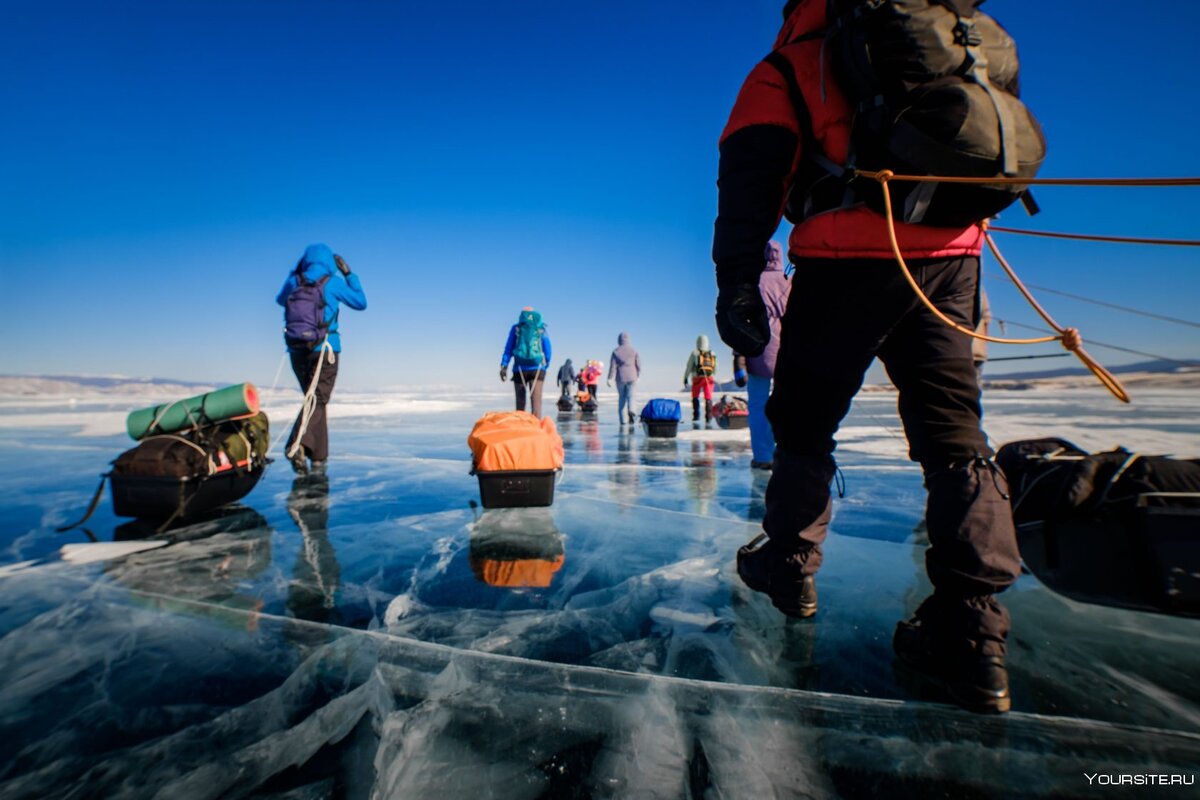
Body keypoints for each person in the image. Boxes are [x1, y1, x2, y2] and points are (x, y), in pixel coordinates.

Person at [712, 0, 1022, 713]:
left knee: (804, 421)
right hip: (951, 261)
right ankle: (973, 631)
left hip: (844, 255)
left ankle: (790, 565)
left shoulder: (793, 59)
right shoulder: (953, 39)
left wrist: (736, 280)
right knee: (954, 435)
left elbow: (750, 172)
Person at [276, 243, 367, 474]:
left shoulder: (294, 282)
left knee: (314, 400)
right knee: (318, 399)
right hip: (325, 349)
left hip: (297, 350)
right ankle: (296, 445)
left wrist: (294, 271)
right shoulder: (331, 282)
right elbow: (360, 302)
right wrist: (349, 274)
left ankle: (318, 455)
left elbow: (280, 300)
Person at [745, 241, 792, 470]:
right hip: (785, 351)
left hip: (758, 350)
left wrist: (739, 357)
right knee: (787, 404)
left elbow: (744, 322)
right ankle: (787, 453)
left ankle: (763, 456)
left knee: (758, 406)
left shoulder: (754, 283)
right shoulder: (788, 282)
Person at [501, 307, 552, 418]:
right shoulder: (541, 328)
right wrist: (545, 364)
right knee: (536, 403)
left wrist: (504, 365)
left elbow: (508, 348)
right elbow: (547, 348)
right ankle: (537, 431)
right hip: (538, 369)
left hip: (519, 368)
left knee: (520, 404)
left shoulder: (516, 328)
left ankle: (521, 429)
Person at [607, 332, 642, 425]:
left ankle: (623, 421)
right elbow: (638, 364)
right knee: (631, 396)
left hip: (620, 378)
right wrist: (638, 375)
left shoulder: (616, 351)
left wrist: (610, 378)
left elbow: (612, 367)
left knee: (622, 398)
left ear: (619, 340)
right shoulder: (633, 350)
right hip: (632, 376)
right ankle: (632, 410)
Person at [682, 335, 718, 423]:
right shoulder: (712, 353)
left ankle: (696, 416)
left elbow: (689, 366)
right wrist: (712, 375)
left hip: (697, 378)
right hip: (709, 378)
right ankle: (709, 416)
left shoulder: (695, 353)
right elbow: (715, 368)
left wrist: (685, 378)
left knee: (695, 396)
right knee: (708, 397)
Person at [973, 288, 993, 381]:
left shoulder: (979, 290)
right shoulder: (979, 289)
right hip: (975, 353)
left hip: (973, 354)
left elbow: (986, 319)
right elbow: (987, 319)